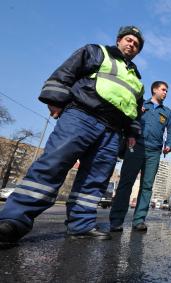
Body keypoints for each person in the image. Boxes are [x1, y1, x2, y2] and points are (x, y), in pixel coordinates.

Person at [0, 26, 145, 242]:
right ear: (119, 40)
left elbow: (135, 109)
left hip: (112, 132)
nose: (132, 44)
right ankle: (13, 221)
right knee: (53, 165)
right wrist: (55, 99)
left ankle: (81, 225)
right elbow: (67, 71)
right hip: (81, 116)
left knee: (95, 180)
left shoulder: (137, 78)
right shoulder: (97, 52)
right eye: (129, 40)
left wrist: (132, 132)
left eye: (136, 44)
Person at [109, 81, 171, 232]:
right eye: (163, 90)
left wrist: (170, 145)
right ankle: (116, 220)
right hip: (135, 147)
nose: (165, 93)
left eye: (166, 91)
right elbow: (128, 120)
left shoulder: (168, 113)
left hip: (154, 152)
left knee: (147, 186)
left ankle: (139, 220)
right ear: (154, 90)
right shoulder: (141, 105)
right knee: (126, 182)